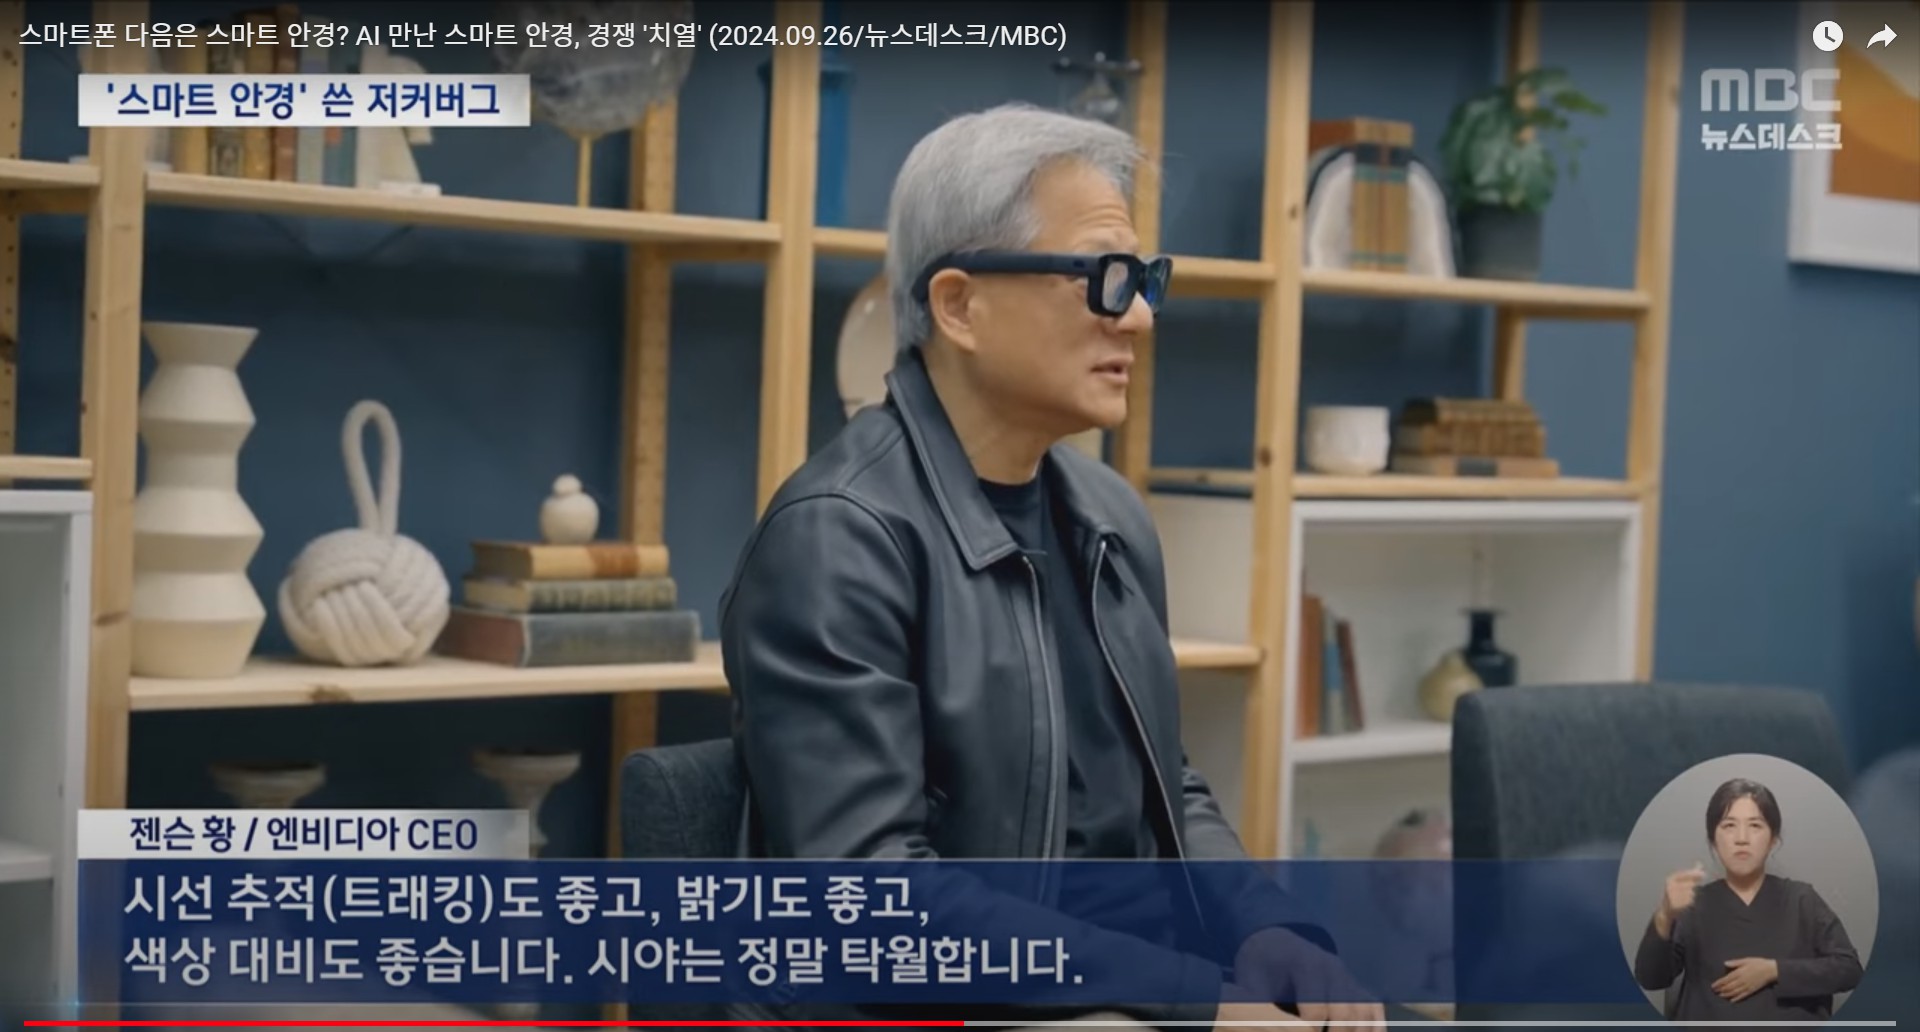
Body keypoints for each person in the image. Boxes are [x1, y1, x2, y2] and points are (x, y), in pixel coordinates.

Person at [719, 103, 1383, 1031]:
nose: (1139, 316)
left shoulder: (1110, 518)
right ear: (960, 306)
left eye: (1144, 280)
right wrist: (1197, 1000)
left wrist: (1266, 928)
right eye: (1105, 279)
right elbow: (876, 898)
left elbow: (1167, 787)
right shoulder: (838, 538)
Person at [1633, 777, 1865, 1022]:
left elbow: (1850, 970)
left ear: (1773, 839)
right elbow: (1651, 979)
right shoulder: (1693, 904)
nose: (1741, 838)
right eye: (1729, 825)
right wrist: (1664, 916)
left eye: (1755, 825)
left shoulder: (1801, 899)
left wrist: (1774, 971)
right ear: (1713, 840)